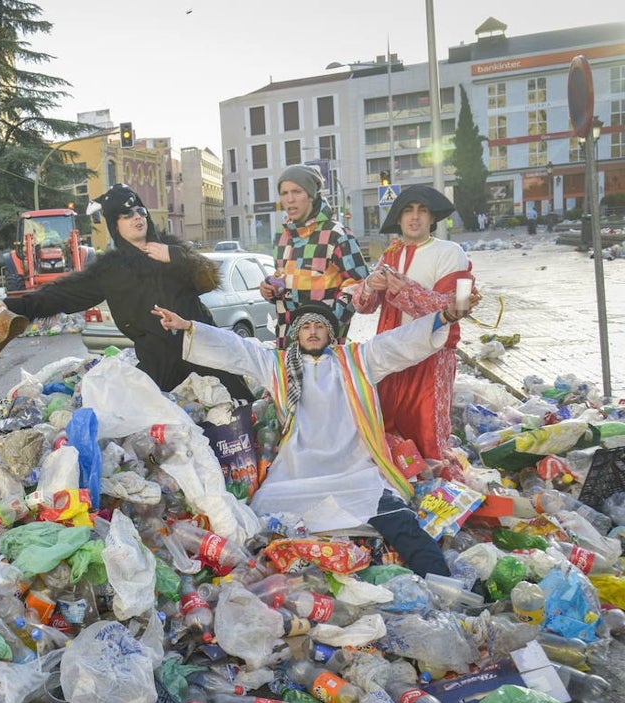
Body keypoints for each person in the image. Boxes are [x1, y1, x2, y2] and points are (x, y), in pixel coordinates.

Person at [151, 293, 483, 579]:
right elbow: (236, 348)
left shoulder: (357, 361)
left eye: (319, 326)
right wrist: (189, 327)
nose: (312, 332)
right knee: (257, 527)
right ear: (296, 334)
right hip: (297, 473)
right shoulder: (277, 366)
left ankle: (443, 585)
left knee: (402, 522)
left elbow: (400, 342)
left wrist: (445, 316)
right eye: (306, 327)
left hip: (353, 471)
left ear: (331, 333)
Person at [0, 183, 253, 401]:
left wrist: (175, 256)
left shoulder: (171, 249)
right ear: (115, 225)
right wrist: (15, 306)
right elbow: (62, 294)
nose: (136, 218)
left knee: (241, 422)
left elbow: (207, 280)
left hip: (207, 356)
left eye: (139, 211)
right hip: (161, 372)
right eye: (125, 215)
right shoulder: (111, 270)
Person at [353, 185, 475, 478]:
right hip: (389, 357)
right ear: (399, 217)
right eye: (408, 210)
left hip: (431, 359)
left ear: (432, 217)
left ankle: (439, 496)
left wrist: (404, 288)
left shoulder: (452, 252)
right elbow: (362, 306)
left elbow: (457, 308)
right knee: (387, 431)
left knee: (428, 436)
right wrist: (369, 285)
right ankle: (399, 489)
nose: (415, 217)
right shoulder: (390, 255)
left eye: (422, 210)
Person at [260, 165, 371, 349]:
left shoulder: (337, 234)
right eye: (284, 193)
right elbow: (283, 277)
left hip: (325, 346)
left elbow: (358, 284)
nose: (290, 199)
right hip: (287, 342)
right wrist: (271, 289)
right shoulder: (281, 235)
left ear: (311, 195)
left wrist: (329, 322)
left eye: (297, 191)